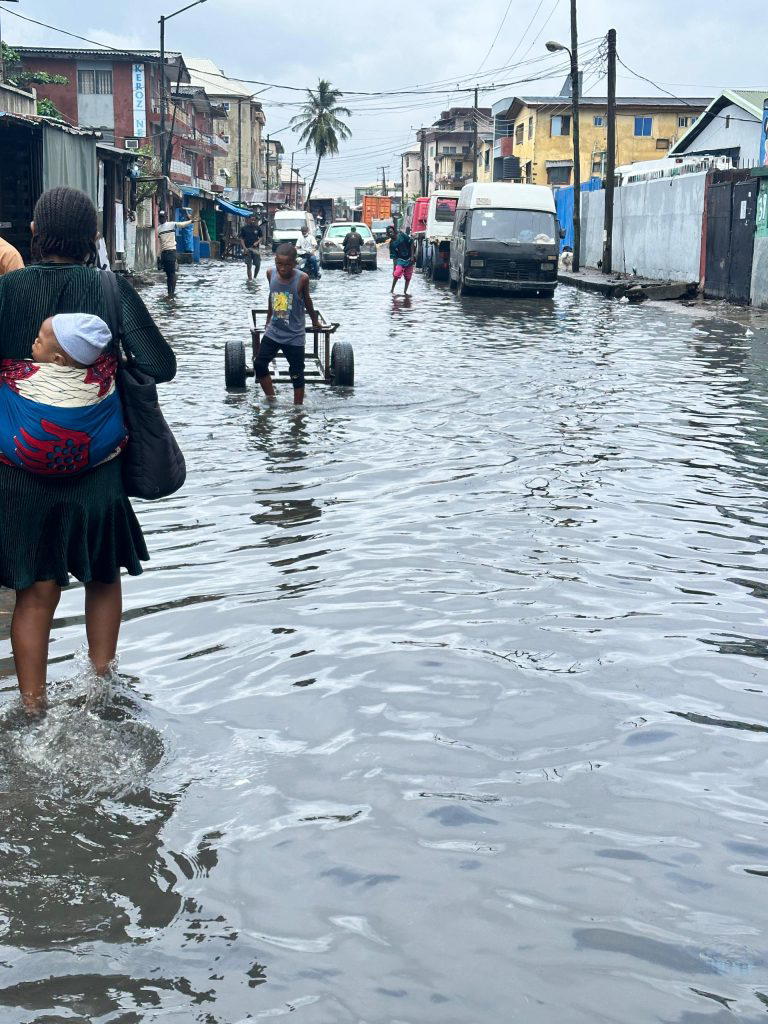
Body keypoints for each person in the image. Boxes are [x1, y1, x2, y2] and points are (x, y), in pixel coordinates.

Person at [0, 186, 176, 717]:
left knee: (34, 589)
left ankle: (33, 710)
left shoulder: (7, 294)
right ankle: (100, 688)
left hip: (19, 471)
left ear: (33, 234)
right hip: (97, 470)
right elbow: (160, 364)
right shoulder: (109, 288)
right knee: (103, 575)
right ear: (95, 238)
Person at [0, 312, 127, 476]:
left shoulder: (21, 373)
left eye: (39, 341)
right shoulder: (104, 371)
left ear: (57, 359)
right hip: (94, 457)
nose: (35, 341)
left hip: (30, 454)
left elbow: (5, 371)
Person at [254, 243, 318, 407]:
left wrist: (315, 321)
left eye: (287, 265)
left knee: (296, 373)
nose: (283, 269)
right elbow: (272, 296)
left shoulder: (301, 278)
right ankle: (271, 399)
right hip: (274, 331)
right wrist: (268, 319)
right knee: (259, 365)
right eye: (279, 264)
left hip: (294, 335)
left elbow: (308, 302)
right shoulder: (270, 273)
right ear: (275, 262)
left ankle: (298, 408)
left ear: (294, 264)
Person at [157, 208, 194, 299]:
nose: (160, 219)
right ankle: (170, 293)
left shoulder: (171, 224)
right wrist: (158, 257)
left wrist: (190, 221)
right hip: (164, 254)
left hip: (170, 252)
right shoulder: (158, 229)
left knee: (171, 274)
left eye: (162, 217)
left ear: (166, 217)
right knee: (169, 274)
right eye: (160, 217)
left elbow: (182, 224)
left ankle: (171, 293)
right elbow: (160, 244)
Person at [388, 225, 415, 294]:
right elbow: (394, 257)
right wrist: (394, 269)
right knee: (396, 274)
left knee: (408, 277)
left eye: (391, 231)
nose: (390, 233)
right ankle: (392, 290)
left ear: (394, 231)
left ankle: (405, 292)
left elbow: (411, 242)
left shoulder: (402, 235)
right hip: (400, 260)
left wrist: (412, 256)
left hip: (409, 258)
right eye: (389, 233)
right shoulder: (391, 244)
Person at [238, 216, 262, 281]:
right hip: (247, 249)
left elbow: (261, 237)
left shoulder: (258, 228)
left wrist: (257, 242)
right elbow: (241, 239)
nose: (253, 221)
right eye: (251, 220)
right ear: (248, 220)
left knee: (258, 264)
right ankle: (250, 280)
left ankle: (255, 277)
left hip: (255, 249)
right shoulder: (244, 228)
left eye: (254, 220)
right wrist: (244, 247)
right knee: (249, 265)